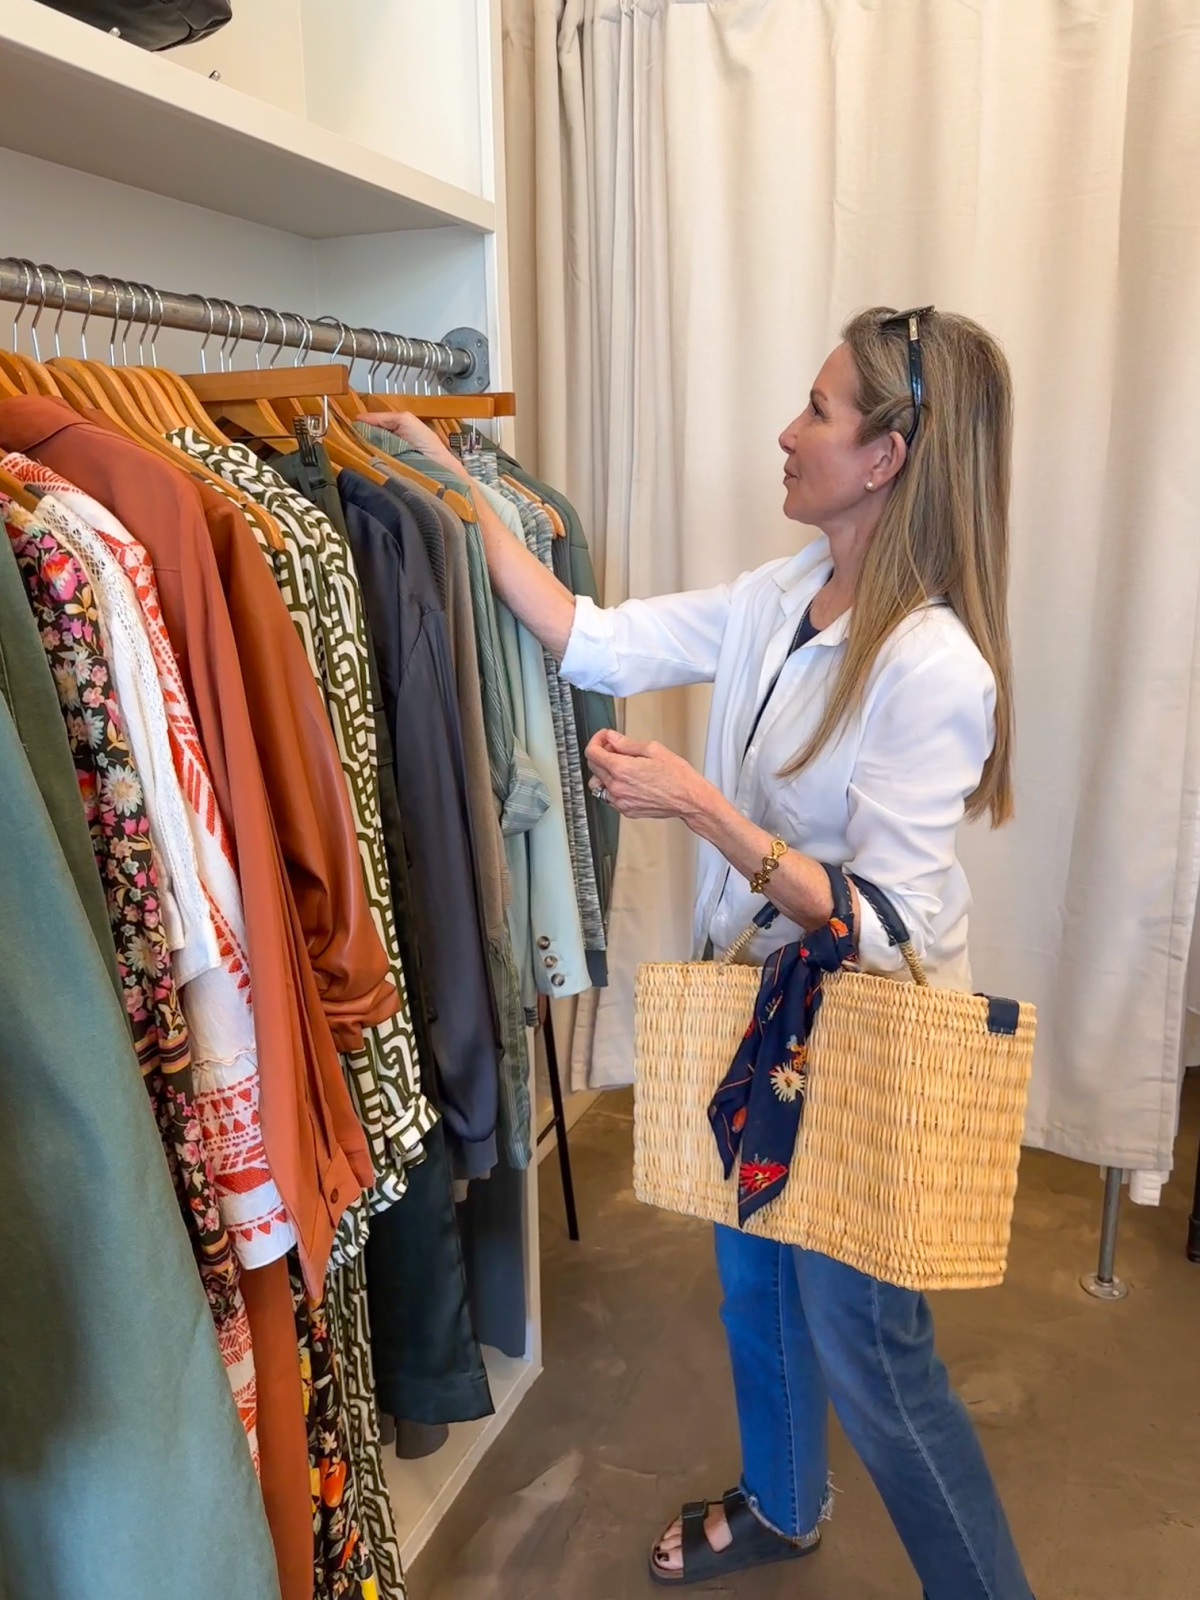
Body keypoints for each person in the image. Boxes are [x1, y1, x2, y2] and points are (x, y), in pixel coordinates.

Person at [382, 305, 1034, 1599]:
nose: (787, 434)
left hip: (866, 1042)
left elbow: (882, 926)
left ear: (886, 457)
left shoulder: (935, 664)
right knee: (755, 1284)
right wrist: (452, 488)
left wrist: (700, 811)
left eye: (819, 410)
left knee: (876, 1358)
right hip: (762, 1017)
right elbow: (591, 636)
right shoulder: (780, 595)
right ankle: (784, 1504)